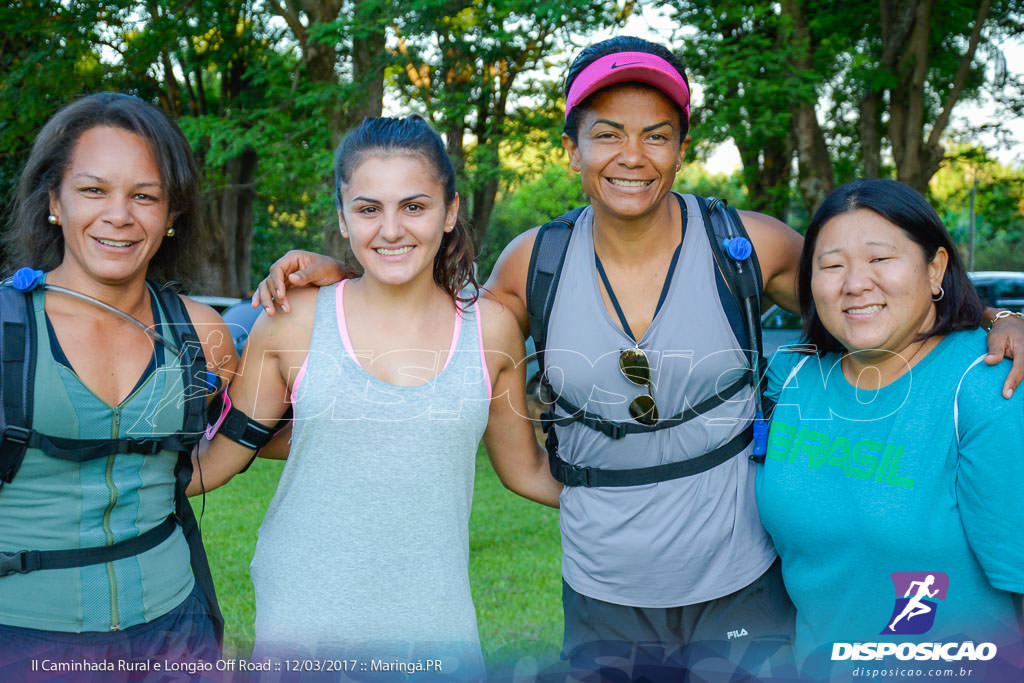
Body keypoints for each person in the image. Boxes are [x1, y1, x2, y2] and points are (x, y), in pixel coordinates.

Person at [249, 38, 1024, 681]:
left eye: (657, 133)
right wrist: (339, 273)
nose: (633, 155)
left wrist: (992, 315)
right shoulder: (533, 263)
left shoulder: (743, 244)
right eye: (607, 132)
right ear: (571, 147)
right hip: (602, 591)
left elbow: (862, 290)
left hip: (740, 583)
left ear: (683, 147)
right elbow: (430, 316)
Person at [190, 115, 559, 678]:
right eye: (368, 209)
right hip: (305, 620)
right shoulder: (293, 321)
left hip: (435, 626)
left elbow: (527, 471)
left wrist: (644, 493)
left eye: (414, 206)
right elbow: (223, 453)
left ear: (450, 211)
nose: (391, 229)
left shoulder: (492, 330)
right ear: (342, 217)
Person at [0, 93, 237, 677]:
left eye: (145, 196)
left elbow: (263, 423)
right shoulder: (7, 327)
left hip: (176, 633)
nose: (119, 215)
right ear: (54, 200)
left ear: (171, 213)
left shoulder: (202, 333)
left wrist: (328, 276)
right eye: (93, 190)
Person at [756, 179, 1024, 682]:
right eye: (831, 265)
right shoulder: (789, 379)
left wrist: (1003, 318)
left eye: (881, 259)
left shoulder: (989, 385)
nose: (855, 283)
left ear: (935, 268)